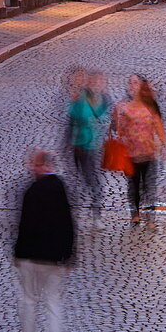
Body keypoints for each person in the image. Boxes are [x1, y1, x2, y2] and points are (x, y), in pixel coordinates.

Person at [14, 149, 75, 332]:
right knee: (52, 304)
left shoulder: (30, 191)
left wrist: (18, 254)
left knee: (29, 302)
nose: (32, 167)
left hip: (30, 257)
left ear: (41, 166)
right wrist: (68, 254)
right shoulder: (60, 188)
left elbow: (23, 226)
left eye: (34, 164)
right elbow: (68, 222)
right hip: (53, 258)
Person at [112, 75, 166, 228]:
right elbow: (118, 129)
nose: (132, 85)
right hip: (130, 154)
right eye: (130, 83)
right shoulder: (124, 107)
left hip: (148, 153)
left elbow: (157, 124)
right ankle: (135, 214)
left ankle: (150, 217)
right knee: (134, 185)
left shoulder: (150, 106)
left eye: (135, 83)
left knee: (149, 186)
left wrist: (164, 142)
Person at [66, 71, 110, 221]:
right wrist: (68, 141)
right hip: (78, 145)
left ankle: (96, 211)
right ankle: (77, 209)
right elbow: (72, 118)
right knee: (79, 178)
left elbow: (104, 119)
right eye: (92, 82)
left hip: (93, 146)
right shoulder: (80, 97)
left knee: (93, 178)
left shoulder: (102, 100)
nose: (94, 84)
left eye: (98, 82)